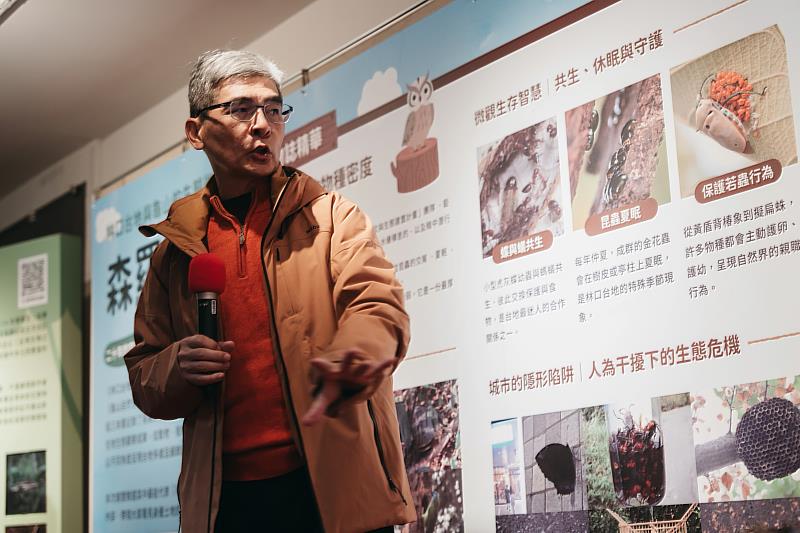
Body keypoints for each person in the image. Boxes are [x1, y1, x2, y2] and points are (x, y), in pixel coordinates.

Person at [125, 49, 415, 533]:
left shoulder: (332, 217)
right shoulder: (174, 253)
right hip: (226, 502)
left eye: (274, 109)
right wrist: (177, 366)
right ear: (196, 132)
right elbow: (144, 375)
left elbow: (378, 305)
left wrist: (356, 356)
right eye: (241, 109)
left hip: (333, 488)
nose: (263, 125)